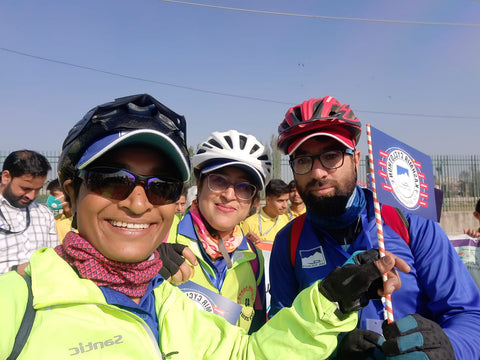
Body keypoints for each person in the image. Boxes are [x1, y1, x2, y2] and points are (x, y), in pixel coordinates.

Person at [0, 94, 407, 359]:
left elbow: (251, 353)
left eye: (161, 187)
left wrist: (329, 302)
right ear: (71, 192)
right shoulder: (15, 305)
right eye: (112, 179)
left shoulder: (170, 302)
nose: (138, 202)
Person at [269, 95, 480, 359]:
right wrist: (333, 355)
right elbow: (278, 336)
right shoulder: (289, 241)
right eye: (303, 160)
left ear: (356, 158)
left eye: (331, 156)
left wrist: (448, 347)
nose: (318, 172)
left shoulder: (409, 222)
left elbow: (469, 315)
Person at [167, 129, 270, 333]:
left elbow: (255, 336)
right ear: (199, 183)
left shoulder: (254, 258)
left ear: (253, 199)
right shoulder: (161, 234)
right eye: (219, 180)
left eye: (244, 187)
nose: (229, 195)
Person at [0, 150, 58, 274]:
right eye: (25, 188)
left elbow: (54, 258)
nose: (31, 196)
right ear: (6, 177)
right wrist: (15, 271)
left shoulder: (44, 214)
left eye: (37, 189)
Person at [241, 179, 290, 250]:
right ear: (268, 200)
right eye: (280, 201)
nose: (285, 205)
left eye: (287, 200)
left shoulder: (287, 222)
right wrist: (248, 242)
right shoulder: (249, 223)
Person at [46, 178, 73, 242]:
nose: (50, 198)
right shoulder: (54, 220)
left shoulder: (80, 223)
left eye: (54, 194)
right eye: (50, 195)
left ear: (67, 193)